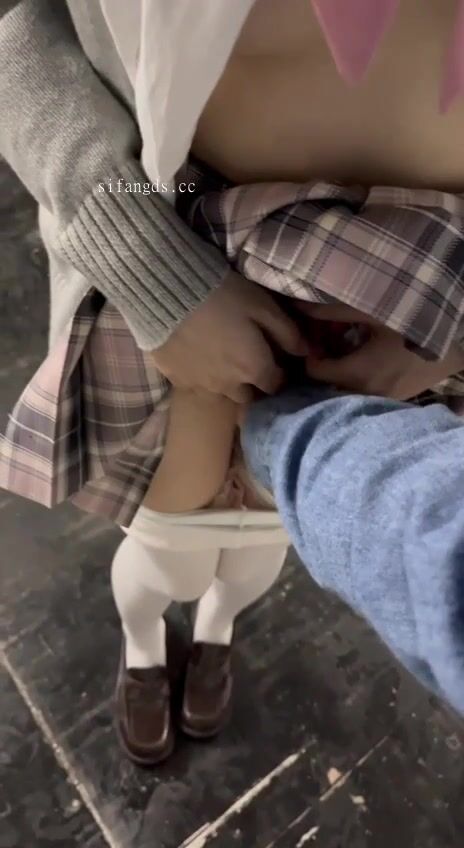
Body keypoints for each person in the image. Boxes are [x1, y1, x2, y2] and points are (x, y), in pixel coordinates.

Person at [1, 0, 464, 764]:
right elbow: (20, 29)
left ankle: (217, 631)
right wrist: (147, 262)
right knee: (164, 557)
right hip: (183, 283)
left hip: (401, 334)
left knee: (255, 556)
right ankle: (143, 645)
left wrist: (452, 341)